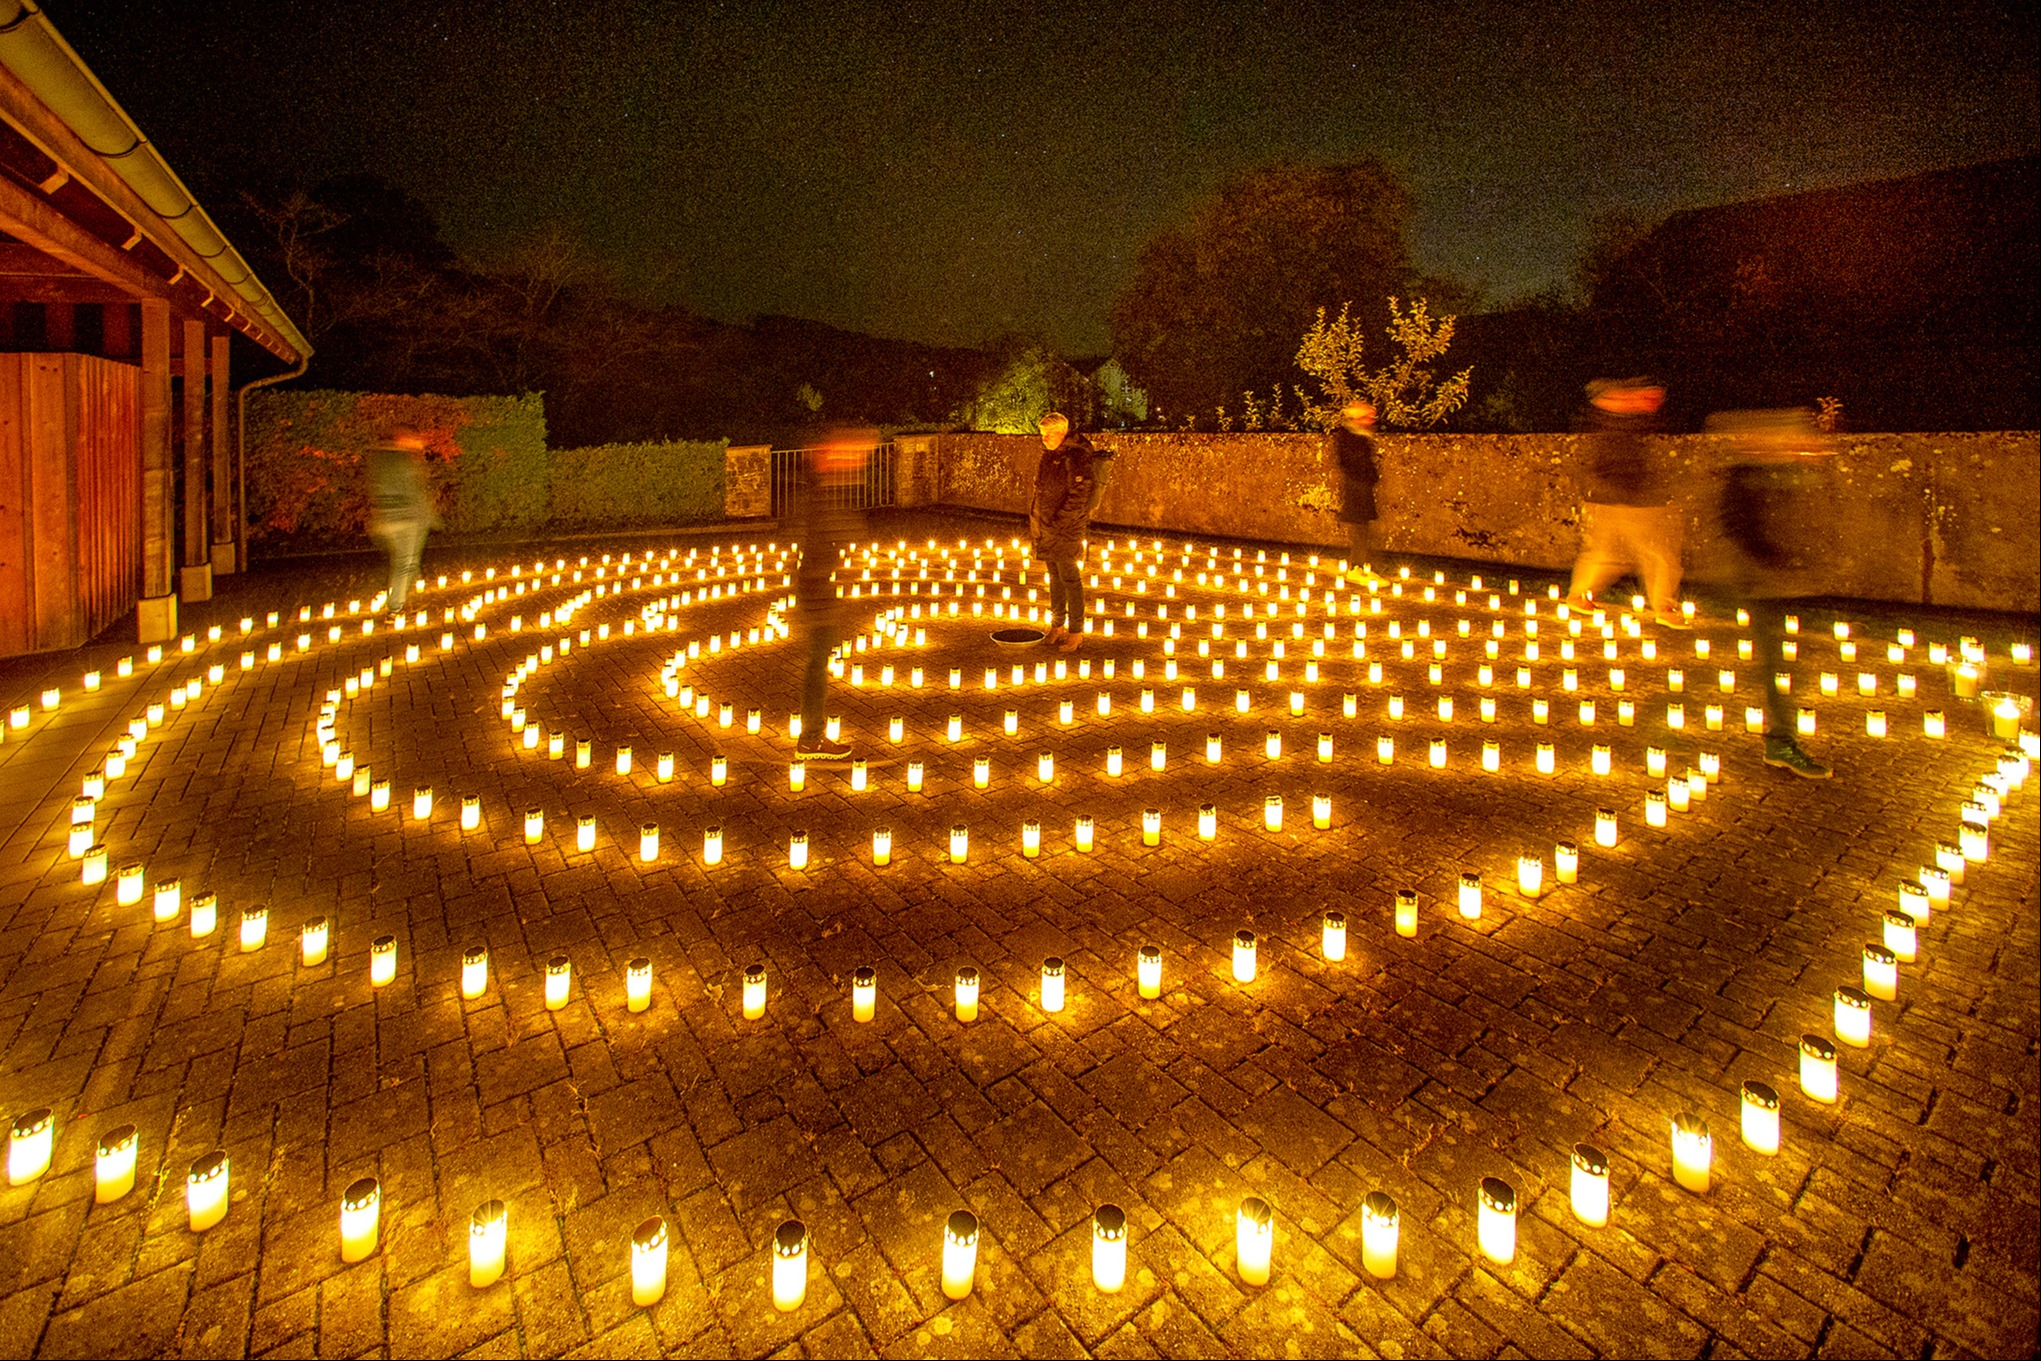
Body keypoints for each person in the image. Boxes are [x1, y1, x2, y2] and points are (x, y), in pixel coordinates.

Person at [1707, 408, 1834, 779]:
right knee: (1775, 667)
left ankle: (1783, 737)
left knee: (1783, 666)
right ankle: (1780, 741)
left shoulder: (1787, 475)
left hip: (1784, 583)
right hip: (1762, 584)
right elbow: (1737, 526)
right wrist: (1773, 561)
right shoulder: (1746, 478)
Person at [1564, 378, 1687, 628]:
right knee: (1658, 554)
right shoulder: (1613, 422)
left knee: (1604, 552)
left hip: (1606, 497)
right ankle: (1664, 605)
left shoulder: (1607, 421)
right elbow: (1619, 461)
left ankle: (1578, 594)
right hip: (1625, 498)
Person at [791, 429, 870, 759]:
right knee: (817, 665)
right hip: (817, 591)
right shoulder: (817, 496)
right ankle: (811, 738)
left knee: (818, 662)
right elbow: (823, 532)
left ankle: (812, 734)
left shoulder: (814, 492)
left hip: (817, 589)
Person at [1030, 412, 1097, 652]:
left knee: (1070, 579)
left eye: (1049, 434)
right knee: (1055, 579)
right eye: (1042, 434)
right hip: (1047, 527)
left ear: (1063, 433)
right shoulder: (1049, 456)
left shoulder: (1077, 456)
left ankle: (1076, 631)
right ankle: (1057, 626)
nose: (1044, 439)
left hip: (1065, 528)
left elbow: (1080, 494)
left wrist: (1059, 521)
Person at [366, 426, 436, 612]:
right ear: (404, 438)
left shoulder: (377, 458)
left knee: (408, 560)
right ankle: (396, 606)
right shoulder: (405, 460)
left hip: (386, 517)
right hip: (406, 517)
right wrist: (428, 515)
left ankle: (410, 590)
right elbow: (414, 490)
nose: (419, 442)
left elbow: (374, 486)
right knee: (405, 563)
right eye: (415, 438)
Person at [1332, 400, 1383, 584]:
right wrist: (1366, 477)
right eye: (1367, 417)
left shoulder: (1360, 436)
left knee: (1363, 529)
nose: (1371, 420)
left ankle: (1361, 566)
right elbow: (1349, 462)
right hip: (1356, 488)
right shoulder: (1350, 436)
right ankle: (1356, 567)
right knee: (1360, 529)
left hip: (1362, 487)